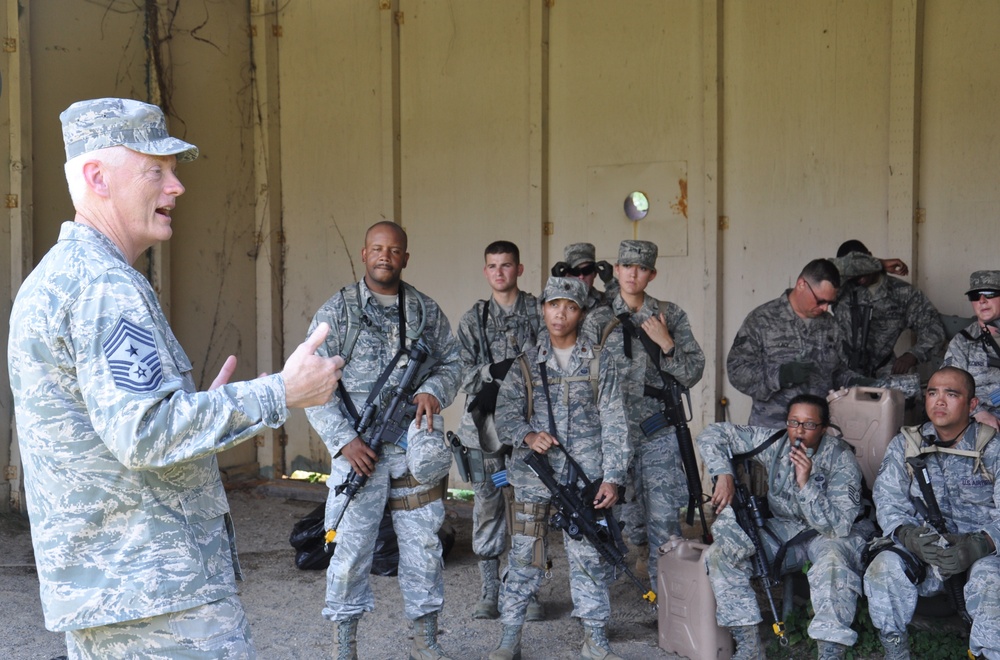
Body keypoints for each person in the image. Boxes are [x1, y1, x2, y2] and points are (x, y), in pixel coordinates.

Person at [7, 98, 344, 658]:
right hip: (160, 599)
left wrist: (199, 415)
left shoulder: (58, 278)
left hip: (109, 594)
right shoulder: (103, 287)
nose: (176, 187)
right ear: (98, 177)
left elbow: (116, 429)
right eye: (155, 171)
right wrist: (282, 391)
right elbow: (146, 433)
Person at [305, 221, 461, 660]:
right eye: (377, 248)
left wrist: (434, 390)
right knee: (351, 552)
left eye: (394, 251)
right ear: (363, 253)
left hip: (412, 453)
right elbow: (310, 381)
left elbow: (451, 361)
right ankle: (344, 647)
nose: (385, 257)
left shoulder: (425, 311)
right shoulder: (339, 311)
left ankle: (426, 641)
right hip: (360, 454)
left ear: (405, 258)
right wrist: (344, 441)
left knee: (424, 548)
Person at [489, 277, 630, 660]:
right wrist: (527, 435)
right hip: (536, 477)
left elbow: (615, 421)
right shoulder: (526, 363)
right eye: (554, 305)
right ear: (543, 309)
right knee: (524, 555)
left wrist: (614, 477)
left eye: (569, 306)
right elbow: (505, 415)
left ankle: (594, 639)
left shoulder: (599, 361)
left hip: (584, 479)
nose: (560, 313)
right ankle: (510, 636)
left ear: (580, 313)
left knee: (588, 558)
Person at [698, 394, 872, 660]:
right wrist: (724, 474)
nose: (799, 431)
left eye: (809, 425)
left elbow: (838, 526)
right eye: (794, 422)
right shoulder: (777, 443)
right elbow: (713, 433)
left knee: (833, 564)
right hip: (787, 529)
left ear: (824, 428)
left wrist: (806, 484)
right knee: (721, 555)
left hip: (831, 535)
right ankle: (750, 648)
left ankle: (830, 652)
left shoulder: (840, 458)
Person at [582, 239, 705, 588]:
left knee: (664, 520)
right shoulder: (598, 320)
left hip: (657, 431)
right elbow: (582, 379)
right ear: (617, 270)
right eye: (626, 266)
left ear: (652, 274)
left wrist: (667, 343)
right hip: (611, 434)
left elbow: (693, 372)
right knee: (612, 514)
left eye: (641, 268)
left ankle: (667, 602)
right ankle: (603, 597)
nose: (632, 274)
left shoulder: (670, 314)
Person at [864, 366, 1000, 659]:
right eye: (932, 393)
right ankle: (895, 651)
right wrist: (907, 535)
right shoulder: (907, 444)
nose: (939, 401)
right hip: (925, 551)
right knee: (883, 567)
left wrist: (982, 543)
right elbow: (887, 500)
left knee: (991, 579)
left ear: (972, 404)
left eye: (951, 394)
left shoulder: (992, 448)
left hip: (980, 554)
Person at [455, 240, 542, 620]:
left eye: (507, 265)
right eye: (493, 266)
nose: (500, 272)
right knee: (488, 506)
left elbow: (553, 359)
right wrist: (494, 372)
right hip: (485, 427)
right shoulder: (474, 319)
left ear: (519, 269)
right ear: (486, 271)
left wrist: (520, 374)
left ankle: (530, 590)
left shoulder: (540, 312)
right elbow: (461, 373)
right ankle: (490, 590)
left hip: (529, 425)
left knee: (531, 510)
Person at [728, 258, 859, 427]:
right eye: (820, 301)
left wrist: (860, 383)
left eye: (830, 303)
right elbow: (736, 370)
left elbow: (837, 372)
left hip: (816, 432)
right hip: (772, 430)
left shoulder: (830, 325)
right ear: (801, 284)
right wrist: (780, 375)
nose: (825, 308)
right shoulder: (762, 320)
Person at [833, 239, 945, 378]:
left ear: (870, 255)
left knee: (908, 390)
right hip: (843, 368)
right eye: (854, 269)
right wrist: (880, 263)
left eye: (863, 265)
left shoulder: (903, 293)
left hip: (883, 368)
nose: (858, 275)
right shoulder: (838, 289)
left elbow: (934, 330)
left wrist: (913, 354)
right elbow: (819, 271)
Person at [942, 270, 1000, 430]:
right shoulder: (963, 341)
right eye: (975, 296)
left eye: (990, 294)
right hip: (976, 420)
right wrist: (978, 412)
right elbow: (947, 387)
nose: (982, 301)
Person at [553, 242, 613, 311]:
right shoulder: (554, 300)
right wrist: (555, 285)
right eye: (575, 272)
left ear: (595, 273)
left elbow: (625, 309)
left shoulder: (607, 301)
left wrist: (610, 282)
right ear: (567, 274)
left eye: (587, 270)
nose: (581, 276)